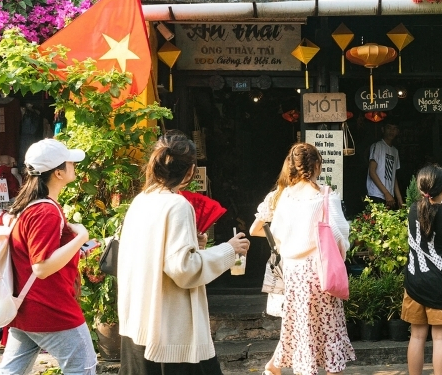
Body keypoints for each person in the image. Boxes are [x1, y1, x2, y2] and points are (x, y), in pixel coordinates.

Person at [117, 132, 250, 375]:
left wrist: (195, 246)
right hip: (170, 331)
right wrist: (228, 250)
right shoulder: (177, 205)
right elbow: (182, 268)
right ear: (190, 171)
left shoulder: (141, 200)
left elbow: (155, 254)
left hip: (138, 321)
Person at [0, 138, 95, 375]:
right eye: (70, 162)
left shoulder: (28, 207)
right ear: (58, 173)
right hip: (52, 310)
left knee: (12, 370)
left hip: (26, 308)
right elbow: (41, 267)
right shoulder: (45, 211)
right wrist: (81, 237)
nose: (74, 165)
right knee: (83, 367)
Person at [263, 142, 354, 375]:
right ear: (316, 165)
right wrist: (341, 252)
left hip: (294, 275)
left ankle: (290, 367)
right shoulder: (325, 196)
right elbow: (338, 234)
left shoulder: (285, 197)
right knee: (329, 330)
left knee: (303, 332)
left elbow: (278, 235)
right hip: (319, 273)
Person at [402, 164, 442, 375]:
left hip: (414, 284)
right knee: (440, 339)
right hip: (441, 285)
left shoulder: (412, 210)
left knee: (417, 337)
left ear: (421, 189)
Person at [248, 168, 289, 374]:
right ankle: (274, 365)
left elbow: (254, 229)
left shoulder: (275, 196)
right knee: (294, 318)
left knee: (291, 319)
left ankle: (274, 365)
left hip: (281, 264)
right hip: (293, 265)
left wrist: (277, 238)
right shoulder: (300, 197)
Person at [366, 121, 403, 209]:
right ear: (383, 129)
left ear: (397, 132)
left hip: (389, 197)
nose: (391, 131)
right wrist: (386, 193)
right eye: (389, 128)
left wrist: (399, 199)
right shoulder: (377, 146)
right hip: (376, 194)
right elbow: (372, 172)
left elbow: (394, 177)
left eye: (394, 129)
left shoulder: (395, 151)